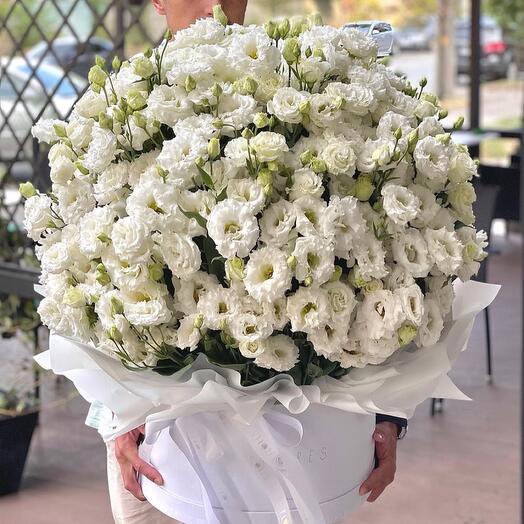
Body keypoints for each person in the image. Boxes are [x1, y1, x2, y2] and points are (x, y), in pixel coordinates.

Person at [95, 1, 408, 522]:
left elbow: (392, 275)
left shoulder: (300, 90)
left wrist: (390, 416)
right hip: (162, 452)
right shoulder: (121, 112)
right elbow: (89, 282)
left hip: (311, 451)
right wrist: (115, 419)